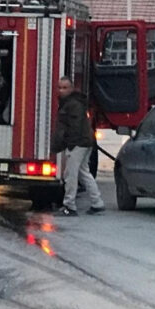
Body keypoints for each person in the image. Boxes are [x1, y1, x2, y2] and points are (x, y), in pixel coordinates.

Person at [52, 76, 105, 216]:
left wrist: (69, 145)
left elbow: (73, 127)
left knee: (70, 174)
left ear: (71, 88)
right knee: (83, 172)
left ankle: (69, 206)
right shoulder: (74, 102)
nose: (61, 90)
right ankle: (97, 202)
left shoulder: (72, 104)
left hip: (78, 143)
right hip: (85, 142)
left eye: (64, 87)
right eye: (59, 87)